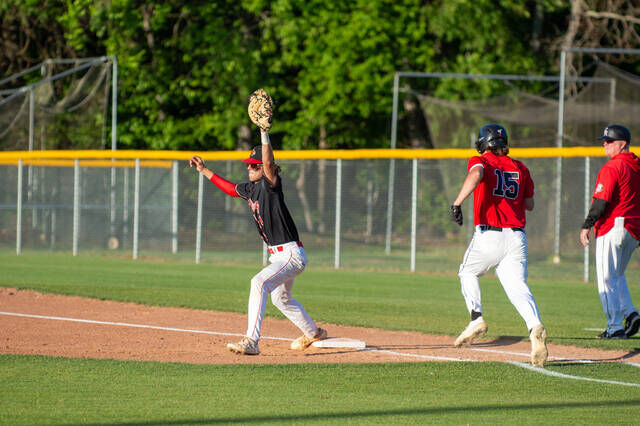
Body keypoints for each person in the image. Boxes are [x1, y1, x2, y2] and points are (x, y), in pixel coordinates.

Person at [189, 129, 327, 355]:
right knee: (281, 298)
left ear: (263, 168)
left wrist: (264, 132)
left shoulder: (270, 185)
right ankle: (314, 333)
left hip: (291, 255)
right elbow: (231, 189)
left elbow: (270, 163)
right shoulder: (251, 189)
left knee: (258, 283)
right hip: (279, 255)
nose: (249, 168)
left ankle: (251, 341)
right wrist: (204, 169)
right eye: (249, 165)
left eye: (255, 165)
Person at [449, 123, 548, 368]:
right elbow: (530, 204)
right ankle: (534, 326)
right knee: (517, 286)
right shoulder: (520, 167)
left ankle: (476, 318)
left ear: (484, 143)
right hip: (517, 238)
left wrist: (457, 202)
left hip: (490, 234)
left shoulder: (482, 161)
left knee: (468, 271)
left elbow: (476, 175)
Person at [580, 124, 640, 339]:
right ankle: (631, 314)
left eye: (609, 141)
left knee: (606, 278)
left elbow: (601, 201)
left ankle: (614, 328)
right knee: (617, 275)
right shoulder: (636, 165)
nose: (605, 144)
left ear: (622, 144)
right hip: (634, 229)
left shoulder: (613, 167)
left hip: (614, 227)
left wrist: (587, 225)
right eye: (604, 140)